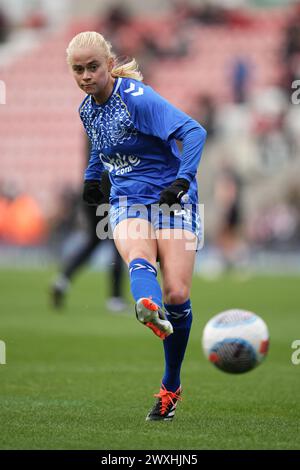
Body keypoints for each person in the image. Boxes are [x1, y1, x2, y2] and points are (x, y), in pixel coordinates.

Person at [66, 31, 207, 421]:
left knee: (178, 293)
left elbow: (194, 131)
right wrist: (92, 178)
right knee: (138, 256)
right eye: (78, 70)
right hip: (127, 200)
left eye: (93, 67)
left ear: (109, 64)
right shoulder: (86, 108)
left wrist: (182, 180)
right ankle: (148, 305)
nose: (86, 76)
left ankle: (171, 387)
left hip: (170, 199)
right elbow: (100, 143)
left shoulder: (136, 99)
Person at [50, 156, 127, 312]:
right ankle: (115, 298)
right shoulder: (124, 143)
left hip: (91, 191)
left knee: (93, 241)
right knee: (118, 244)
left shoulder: (99, 139)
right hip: (110, 192)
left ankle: (62, 279)